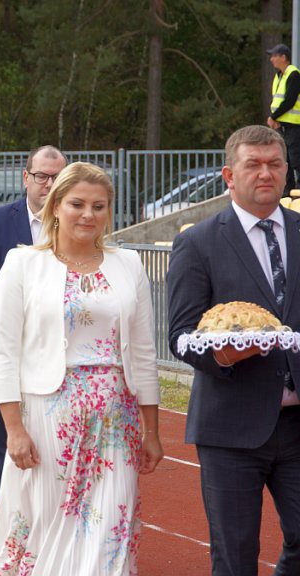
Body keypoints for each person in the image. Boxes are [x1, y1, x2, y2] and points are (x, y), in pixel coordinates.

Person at [0, 162, 163, 575]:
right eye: (77, 204)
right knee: (46, 524)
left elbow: (142, 352)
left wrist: (152, 431)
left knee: (111, 526)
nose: (88, 214)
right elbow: (4, 352)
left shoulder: (130, 266)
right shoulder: (22, 264)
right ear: (55, 206)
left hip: (115, 418)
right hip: (47, 414)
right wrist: (13, 429)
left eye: (99, 206)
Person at [168, 124, 300, 576]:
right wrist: (229, 352)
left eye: (275, 164)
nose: (266, 173)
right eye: (254, 165)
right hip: (231, 428)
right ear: (228, 174)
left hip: (299, 424)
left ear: (286, 170)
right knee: (235, 554)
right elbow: (182, 334)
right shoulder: (197, 242)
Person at [0, 145, 68, 499]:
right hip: (7, 364)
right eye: (41, 177)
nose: (48, 184)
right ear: (26, 178)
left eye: (57, 177)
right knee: (8, 457)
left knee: (59, 459)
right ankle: (13, 544)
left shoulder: (77, 224)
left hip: (63, 364)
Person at [267, 44, 300, 196]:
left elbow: (289, 100)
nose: (271, 59)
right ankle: (288, 191)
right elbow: (277, 101)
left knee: (296, 157)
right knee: (285, 158)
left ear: (283, 58)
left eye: (274, 56)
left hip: (295, 124)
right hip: (283, 124)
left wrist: (274, 117)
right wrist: (275, 119)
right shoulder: (279, 75)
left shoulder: (293, 74)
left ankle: (298, 190)